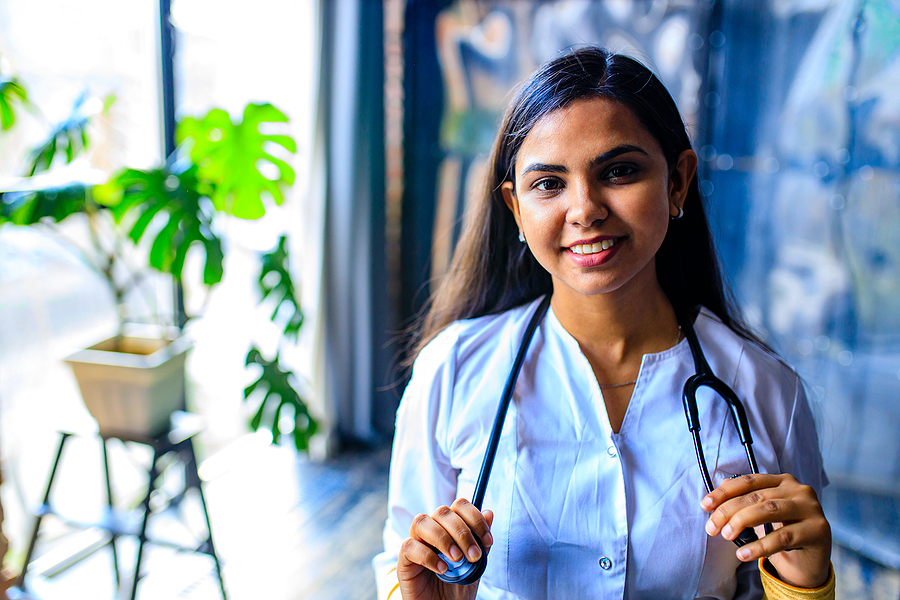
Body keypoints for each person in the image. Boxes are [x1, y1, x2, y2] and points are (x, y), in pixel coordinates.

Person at [373, 46, 834, 600]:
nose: (585, 208)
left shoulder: (765, 391)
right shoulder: (452, 371)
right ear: (516, 208)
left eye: (619, 171)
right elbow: (401, 563)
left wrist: (805, 586)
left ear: (678, 182)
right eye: (548, 183)